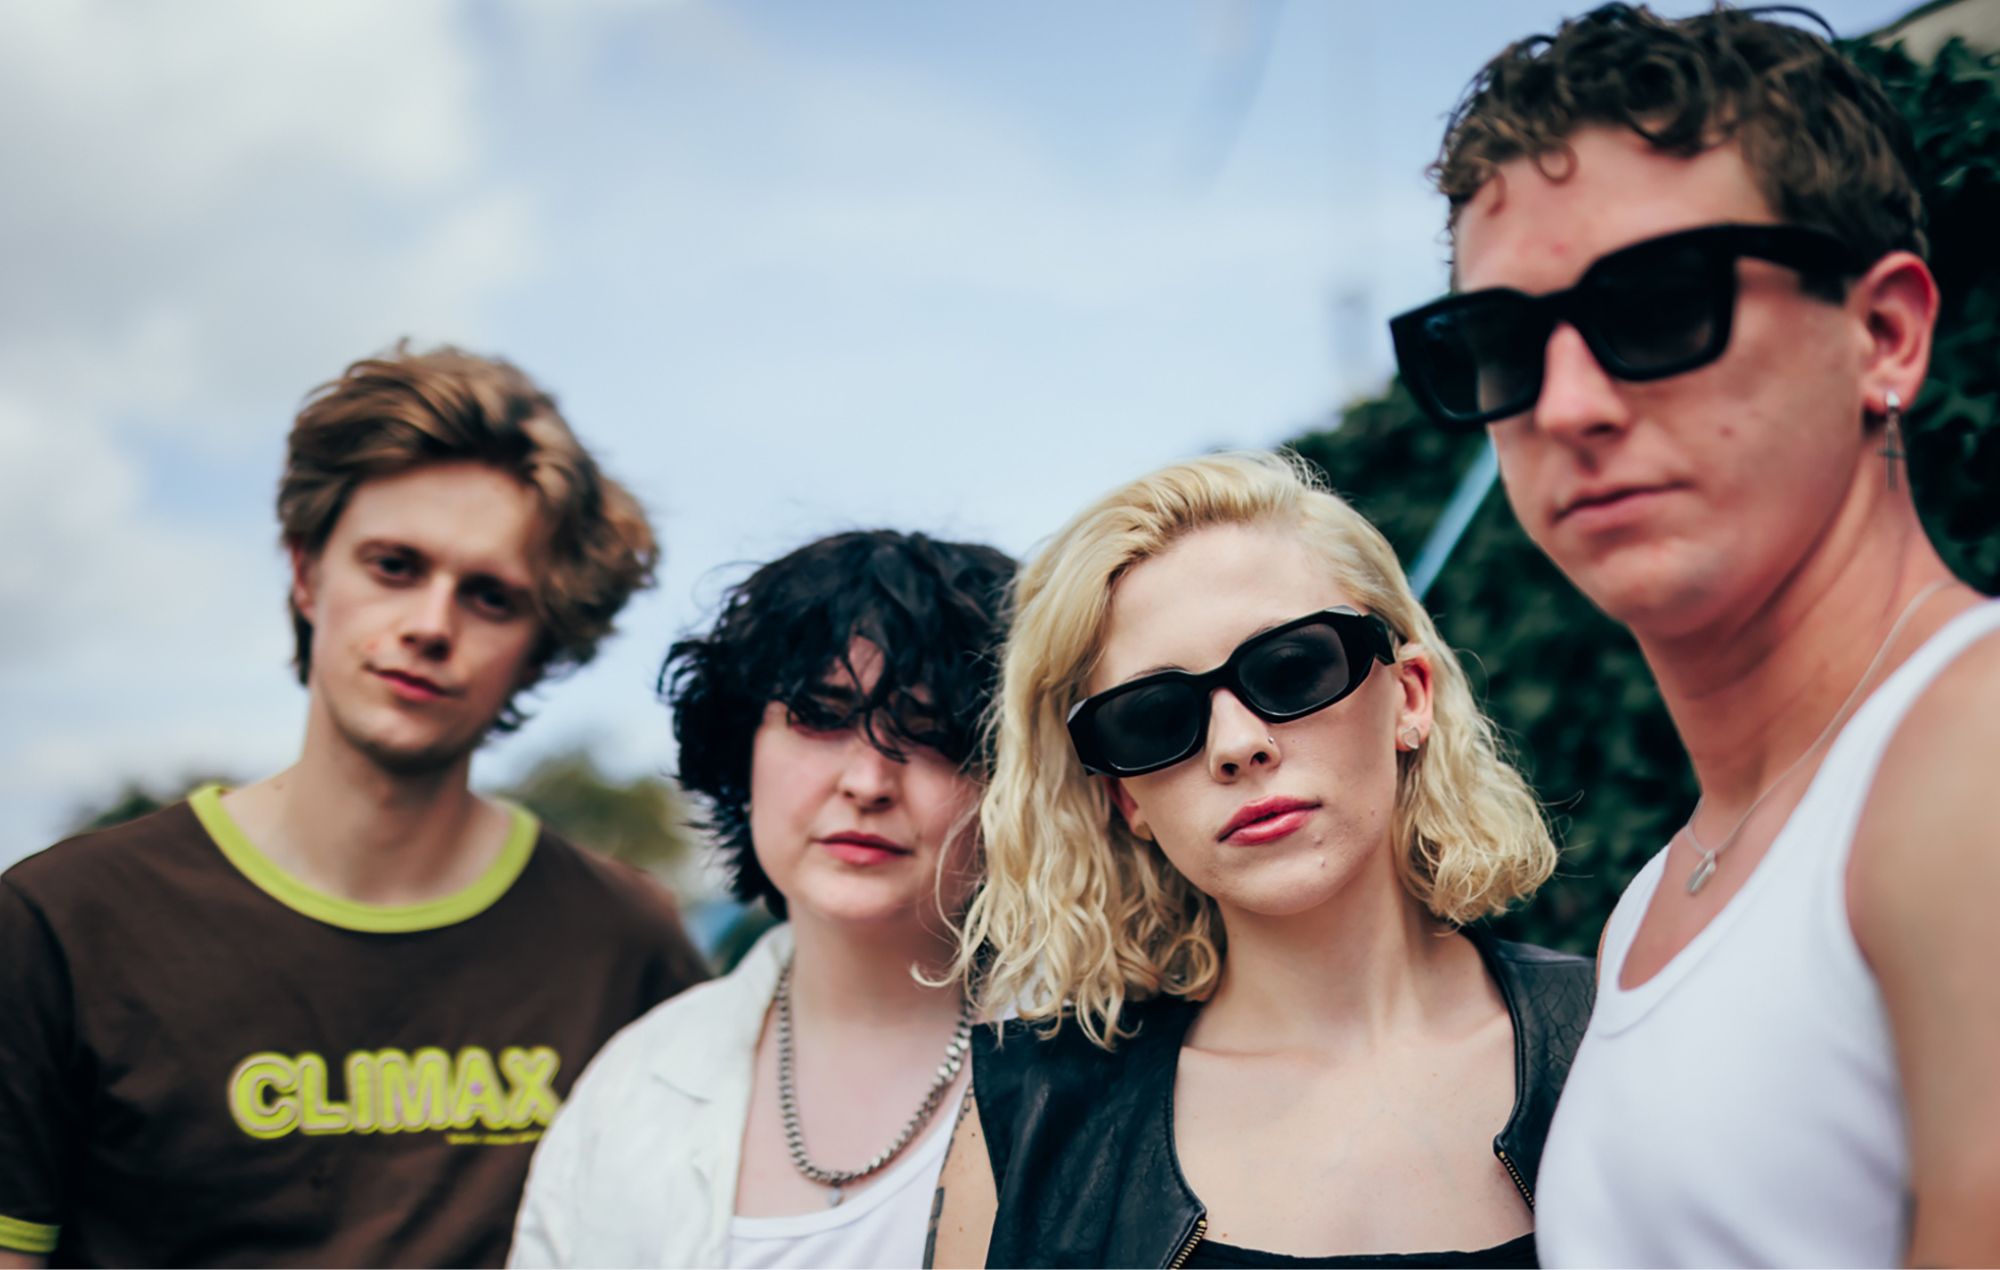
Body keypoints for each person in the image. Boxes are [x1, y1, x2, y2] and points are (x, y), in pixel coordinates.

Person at [1390, 5, 2000, 1264]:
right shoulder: (1657, 896)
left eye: (1660, 304)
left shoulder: (1968, 759)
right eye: (1502, 343)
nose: (1566, 403)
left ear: (1880, 333)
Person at [0, 346, 708, 1268]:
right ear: (306, 574)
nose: (431, 624)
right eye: (395, 565)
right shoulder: (62, 924)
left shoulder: (623, 944)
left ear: (540, 647)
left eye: (491, 596)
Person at [929, 451, 1593, 1269]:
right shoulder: (1025, 1124)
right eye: (1154, 718)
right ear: (1125, 798)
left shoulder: (1620, 1039)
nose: (1237, 745)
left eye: (1292, 666)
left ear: (1410, 697)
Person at [509, 529, 1016, 1268]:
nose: (868, 782)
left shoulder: (1117, 1057)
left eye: (930, 730)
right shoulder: (635, 1084)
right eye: (822, 715)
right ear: (741, 748)